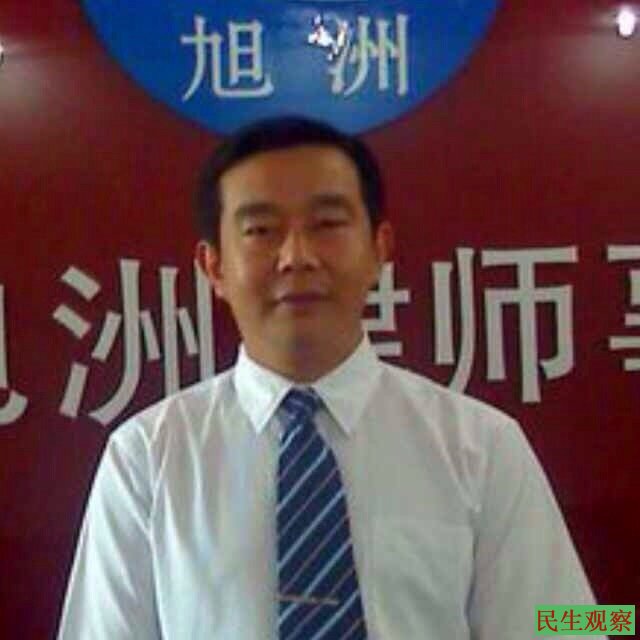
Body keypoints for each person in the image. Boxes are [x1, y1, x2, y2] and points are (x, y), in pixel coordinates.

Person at [57, 116, 602, 639]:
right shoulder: (145, 459)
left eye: (327, 224)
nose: (296, 257)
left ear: (379, 249)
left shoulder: (483, 446)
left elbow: (566, 622)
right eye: (261, 230)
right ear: (214, 267)